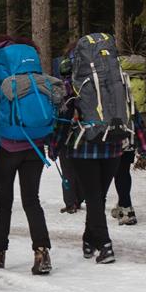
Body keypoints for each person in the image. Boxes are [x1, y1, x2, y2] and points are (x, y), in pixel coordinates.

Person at [0, 37, 54, 275]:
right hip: (35, 145)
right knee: (32, 200)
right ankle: (42, 253)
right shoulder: (34, 74)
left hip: (6, 148)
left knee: (4, 202)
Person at [58, 34, 132, 264]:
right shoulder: (115, 75)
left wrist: (56, 143)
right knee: (98, 196)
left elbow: (64, 111)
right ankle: (89, 238)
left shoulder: (72, 77)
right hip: (114, 141)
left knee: (93, 196)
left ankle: (105, 244)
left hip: (84, 144)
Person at [110, 54, 146, 226]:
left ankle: (127, 209)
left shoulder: (115, 81)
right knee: (124, 170)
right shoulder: (141, 79)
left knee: (117, 171)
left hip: (118, 130)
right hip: (135, 130)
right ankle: (122, 203)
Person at [51, 56, 83, 214]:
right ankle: (80, 197)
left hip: (67, 135)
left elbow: (61, 119)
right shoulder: (83, 86)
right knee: (80, 167)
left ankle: (71, 202)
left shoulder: (61, 89)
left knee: (67, 170)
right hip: (84, 134)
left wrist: (54, 146)